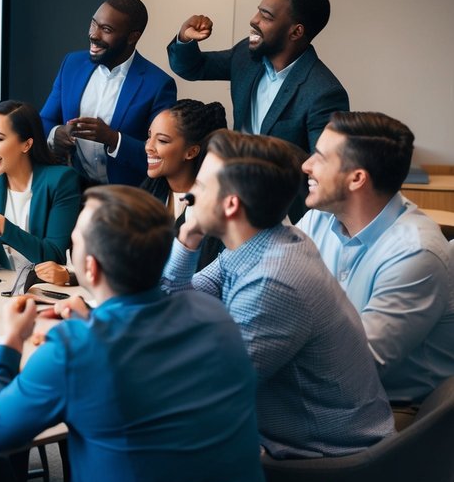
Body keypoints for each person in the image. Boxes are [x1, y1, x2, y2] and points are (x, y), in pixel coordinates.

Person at [0, 185, 266, 482]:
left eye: (75, 241)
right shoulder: (213, 314)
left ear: (90, 268)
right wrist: (90, 321)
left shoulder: (74, 348)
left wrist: (12, 339)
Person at [162, 131, 394, 458]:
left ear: (230, 204)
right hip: (294, 442)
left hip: (330, 465)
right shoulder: (265, 241)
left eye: (200, 187)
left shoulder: (275, 281)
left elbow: (207, 389)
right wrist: (187, 237)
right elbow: (172, 305)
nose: (189, 195)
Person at [298, 111, 454, 428]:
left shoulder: (415, 253)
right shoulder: (322, 216)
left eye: (320, 157)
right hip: (332, 388)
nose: (306, 165)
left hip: (393, 409)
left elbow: (353, 367)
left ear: (357, 178)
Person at [167, 0, 347, 156]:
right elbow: (193, 68)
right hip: (233, 177)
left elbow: (324, 164)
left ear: (296, 32)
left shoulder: (324, 93)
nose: (254, 20)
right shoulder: (246, 55)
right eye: (258, 11)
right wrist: (185, 38)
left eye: (266, 16)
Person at [41, 0, 176, 188]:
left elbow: (163, 154)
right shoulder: (71, 64)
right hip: (76, 191)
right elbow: (45, 120)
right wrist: (57, 134)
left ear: (132, 37)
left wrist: (113, 139)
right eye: (93, 24)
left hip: (130, 199)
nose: (94, 35)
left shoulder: (158, 84)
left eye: (106, 29)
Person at [0, 100, 81, 271]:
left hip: (44, 289)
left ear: (26, 144)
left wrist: (1, 224)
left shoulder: (61, 181)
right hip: (2, 288)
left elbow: (54, 256)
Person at [141, 99, 229, 270]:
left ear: (191, 152)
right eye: (149, 136)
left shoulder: (216, 210)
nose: (148, 147)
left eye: (162, 141)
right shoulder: (147, 195)